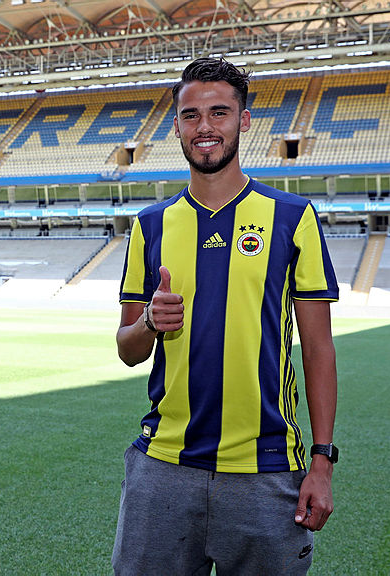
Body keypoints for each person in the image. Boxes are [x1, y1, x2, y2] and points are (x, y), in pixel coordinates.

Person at [112, 57, 340, 575]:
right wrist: (149, 322)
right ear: (176, 126)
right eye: (191, 115)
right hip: (164, 467)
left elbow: (318, 348)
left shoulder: (293, 217)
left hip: (266, 470)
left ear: (244, 120)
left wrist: (322, 461)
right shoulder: (150, 225)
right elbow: (127, 350)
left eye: (219, 112)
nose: (205, 127)